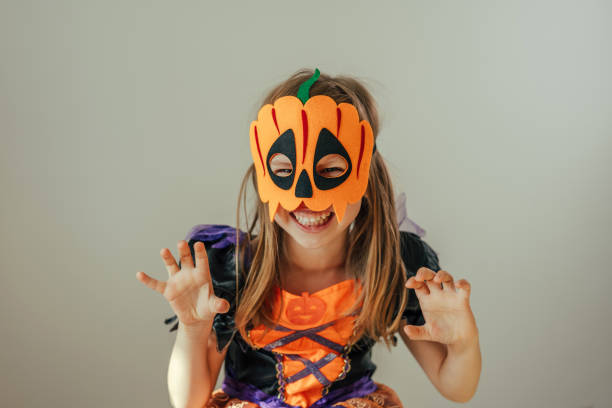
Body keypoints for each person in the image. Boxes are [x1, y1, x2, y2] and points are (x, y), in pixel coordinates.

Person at [136, 68, 481, 408]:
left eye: (331, 170)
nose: (306, 195)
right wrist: (193, 329)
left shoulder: (391, 266)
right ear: (264, 177)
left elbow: (457, 388)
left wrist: (463, 342)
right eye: (285, 171)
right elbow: (188, 403)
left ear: (366, 175)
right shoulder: (234, 271)